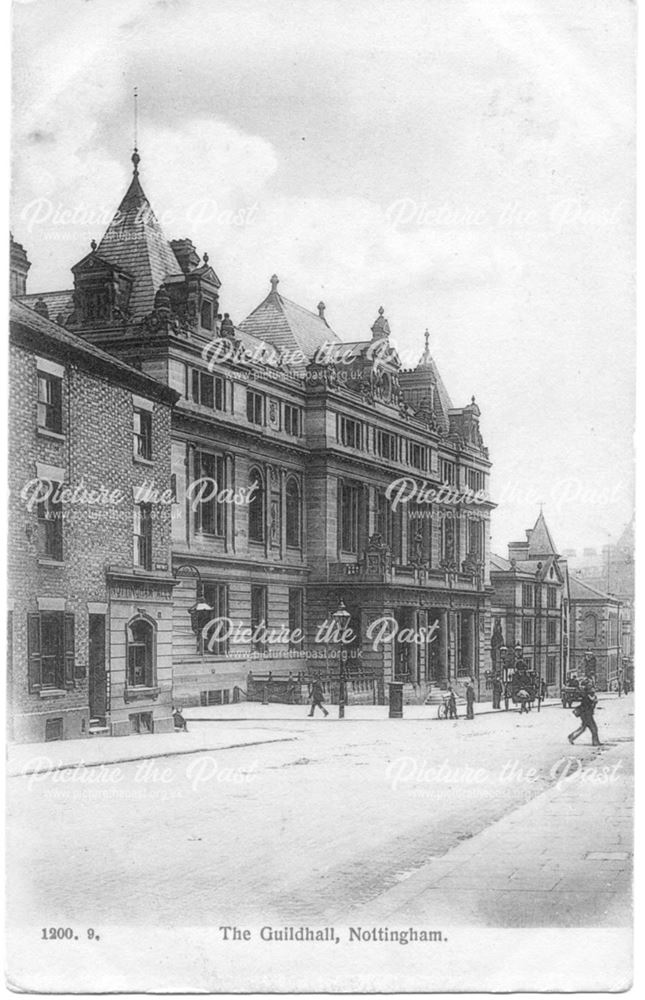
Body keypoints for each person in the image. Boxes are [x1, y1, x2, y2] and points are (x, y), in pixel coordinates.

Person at [568, 681, 602, 746]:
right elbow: (586, 706)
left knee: (583, 728)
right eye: (591, 688)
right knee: (593, 728)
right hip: (586, 715)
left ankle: (571, 736)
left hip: (587, 714)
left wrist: (594, 702)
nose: (593, 689)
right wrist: (593, 702)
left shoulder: (591, 697)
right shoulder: (587, 697)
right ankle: (595, 742)